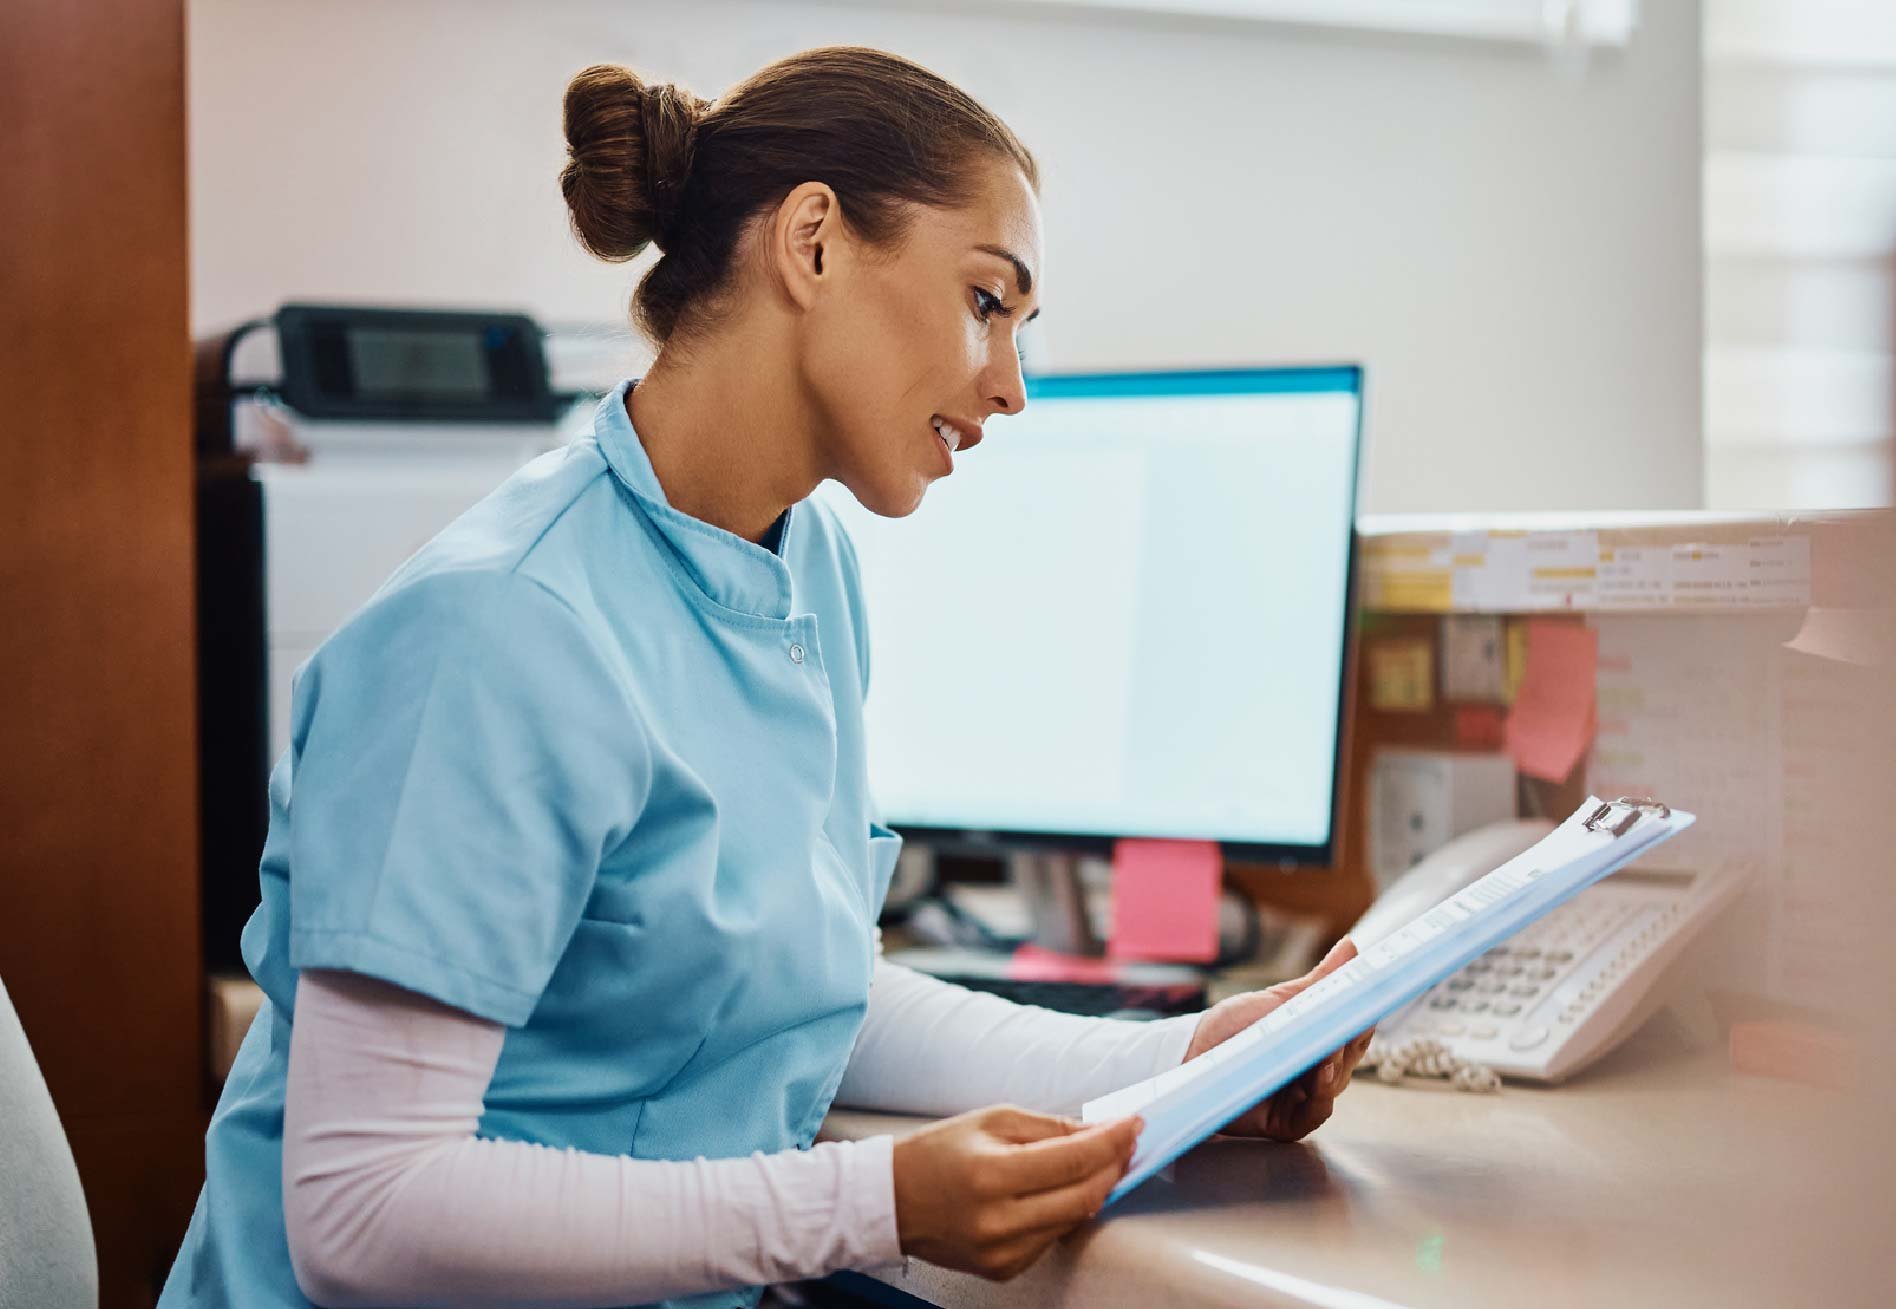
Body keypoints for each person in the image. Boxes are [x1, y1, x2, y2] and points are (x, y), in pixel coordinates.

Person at [159, 47, 1371, 1309]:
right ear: (812, 243)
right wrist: (870, 1204)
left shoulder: (807, 574)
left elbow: (805, 990)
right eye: (984, 302)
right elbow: (365, 1212)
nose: (1011, 384)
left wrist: (1181, 1060)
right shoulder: (497, 627)